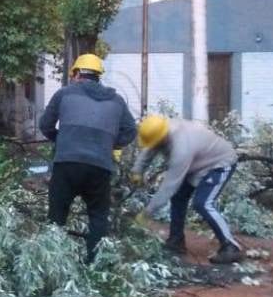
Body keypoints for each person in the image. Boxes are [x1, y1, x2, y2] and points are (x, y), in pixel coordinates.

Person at [39, 53, 137, 262]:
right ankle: (94, 264)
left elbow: (45, 125)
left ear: (75, 74)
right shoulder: (117, 101)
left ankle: (54, 262)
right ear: (98, 76)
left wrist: (62, 140)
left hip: (67, 164)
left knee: (57, 215)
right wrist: (109, 145)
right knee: (98, 216)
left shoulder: (64, 94)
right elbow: (130, 131)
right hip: (100, 166)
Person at [131, 115, 243, 264]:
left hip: (220, 163)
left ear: (162, 137)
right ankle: (176, 241)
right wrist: (137, 170)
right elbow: (151, 147)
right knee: (178, 197)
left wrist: (147, 213)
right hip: (197, 164)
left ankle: (230, 247)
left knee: (203, 203)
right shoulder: (162, 128)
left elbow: (169, 185)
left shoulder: (181, 148)